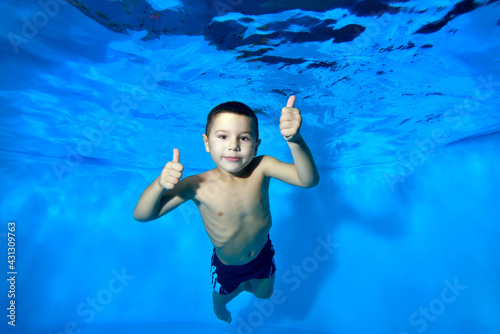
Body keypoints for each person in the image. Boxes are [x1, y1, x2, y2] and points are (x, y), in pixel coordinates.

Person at [133, 95, 319, 323]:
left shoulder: (262, 167)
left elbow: (308, 180)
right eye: (223, 136)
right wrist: (159, 184)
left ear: (256, 145)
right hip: (228, 266)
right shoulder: (197, 185)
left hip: (262, 254)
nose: (234, 145)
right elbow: (142, 215)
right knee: (222, 298)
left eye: (244, 138)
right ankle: (221, 304)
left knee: (265, 294)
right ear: (207, 142)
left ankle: (246, 286)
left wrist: (295, 139)